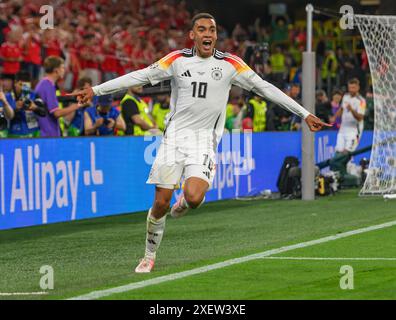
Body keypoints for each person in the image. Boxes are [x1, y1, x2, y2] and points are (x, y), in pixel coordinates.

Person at [70, 13, 330, 273]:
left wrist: (304, 113)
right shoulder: (176, 60)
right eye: (202, 29)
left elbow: (266, 88)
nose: (208, 34)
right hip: (174, 140)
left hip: (204, 142)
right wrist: (96, 90)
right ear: (192, 35)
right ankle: (149, 255)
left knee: (194, 197)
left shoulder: (231, 64)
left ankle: (184, 201)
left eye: (212, 30)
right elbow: (138, 76)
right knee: (160, 203)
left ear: (216, 36)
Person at [35, 56, 82, 137]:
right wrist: (78, 105)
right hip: (48, 134)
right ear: (56, 70)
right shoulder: (47, 85)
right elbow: (56, 113)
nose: (64, 70)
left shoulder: (46, 84)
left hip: (49, 133)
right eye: (62, 68)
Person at [1, 72, 47, 138]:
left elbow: (44, 112)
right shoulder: (7, 98)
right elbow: (2, 116)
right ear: (15, 83)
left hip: (33, 134)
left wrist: (35, 107)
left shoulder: (33, 95)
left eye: (27, 86)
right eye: (21, 85)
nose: (24, 89)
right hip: (14, 135)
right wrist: (14, 108)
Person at [334, 78, 366, 153]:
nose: (351, 90)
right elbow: (342, 108)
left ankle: (350, 164)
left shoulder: (361, 101)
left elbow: (360, 118)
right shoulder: (346, 96)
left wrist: (351, 109)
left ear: (358, 88)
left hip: (354, 131)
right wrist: (335, 116)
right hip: (342, 129)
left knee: (347, 153)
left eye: (353, 88)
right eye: (350, 88)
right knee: (338, 152)